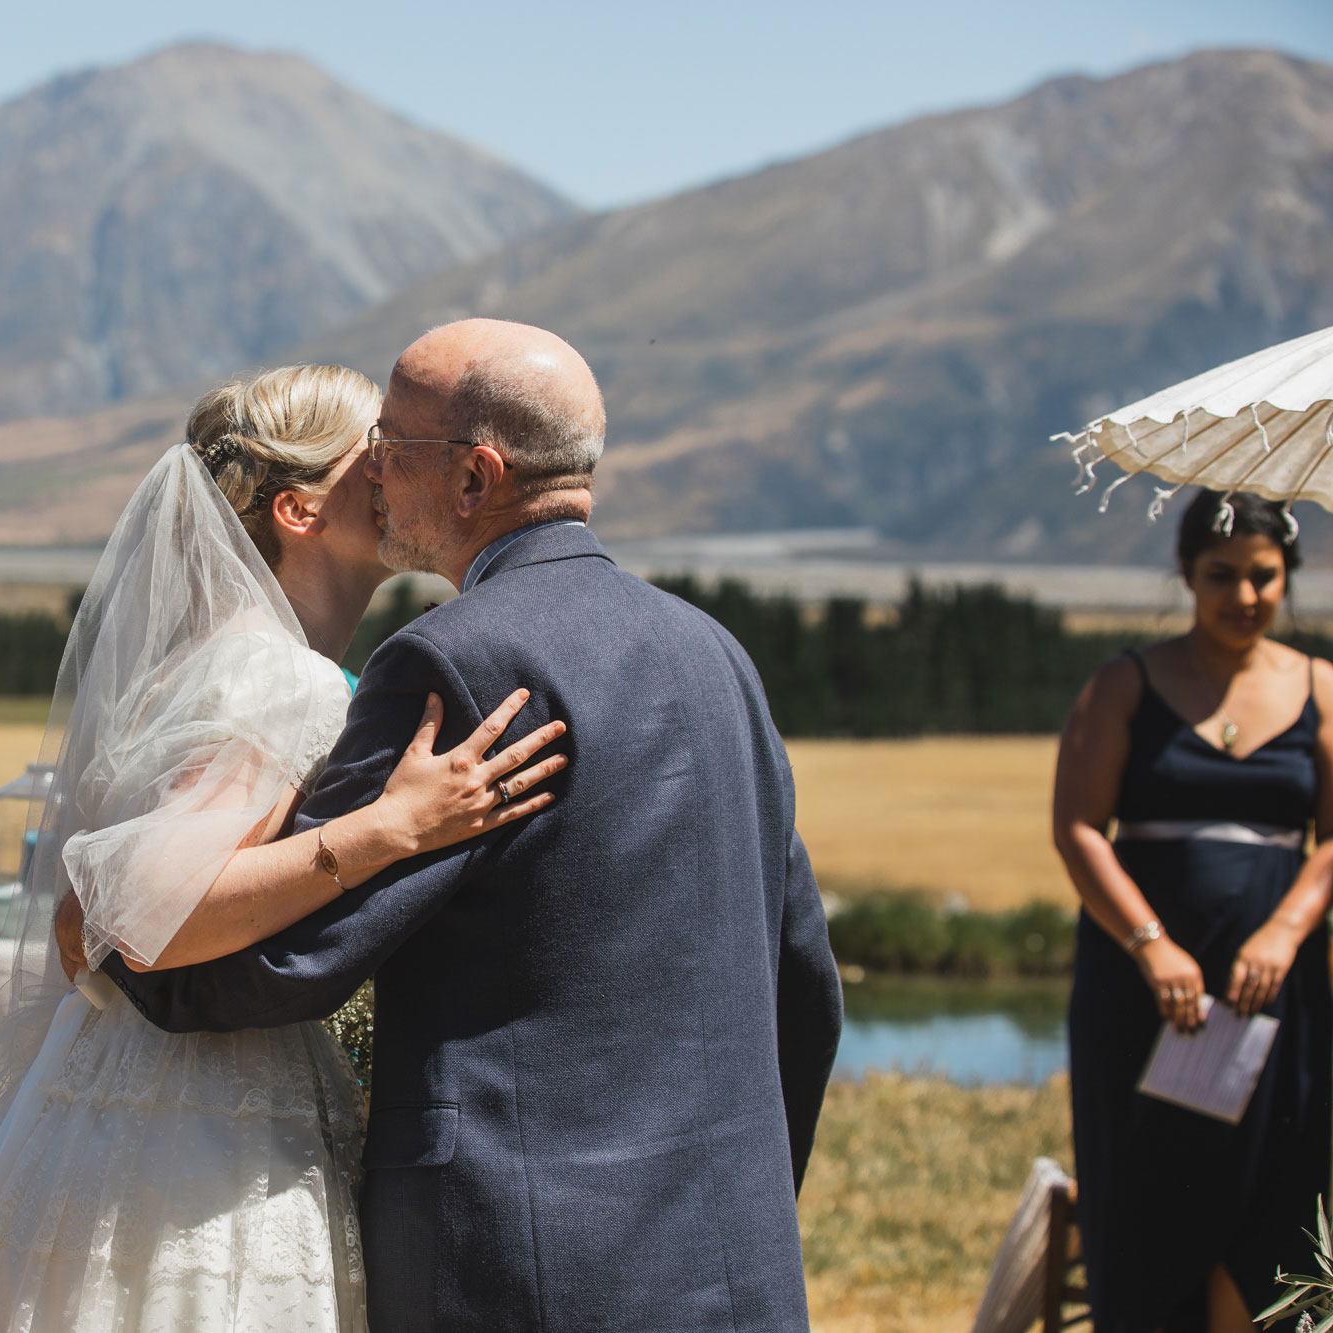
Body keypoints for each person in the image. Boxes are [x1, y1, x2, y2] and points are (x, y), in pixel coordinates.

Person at [97, 319, 845, 1332]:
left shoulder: (453, 664)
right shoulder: (716, 654)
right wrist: (744, 1188)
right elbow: (802, 975)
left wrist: (127, 940)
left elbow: (295, 954)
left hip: (518, 1256)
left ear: (470, 478)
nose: (373, 474)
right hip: (728, 1252)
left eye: (389, 449)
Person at [0, 363, 567, 1332]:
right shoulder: (277, 678)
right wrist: (389, 830)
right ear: (296, 509)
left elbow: (87, 916)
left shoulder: (218, 656)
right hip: (193, 1132)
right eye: (371, 455)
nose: (394, 471)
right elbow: (150, 922)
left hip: (115, 1095)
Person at [1053, 488, 1333, 1333]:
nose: (1244, 597)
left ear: (1289, 576)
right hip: (1144, 994)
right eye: (1222, 576)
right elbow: (1077, 829)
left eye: (1264, 576)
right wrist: (1152, 946)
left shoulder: (1323, 685)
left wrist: (1285, 931)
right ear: (1186, 573)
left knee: (1278, 1188)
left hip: (1277, 995)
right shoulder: (1125, 683)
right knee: (1148, 1196)